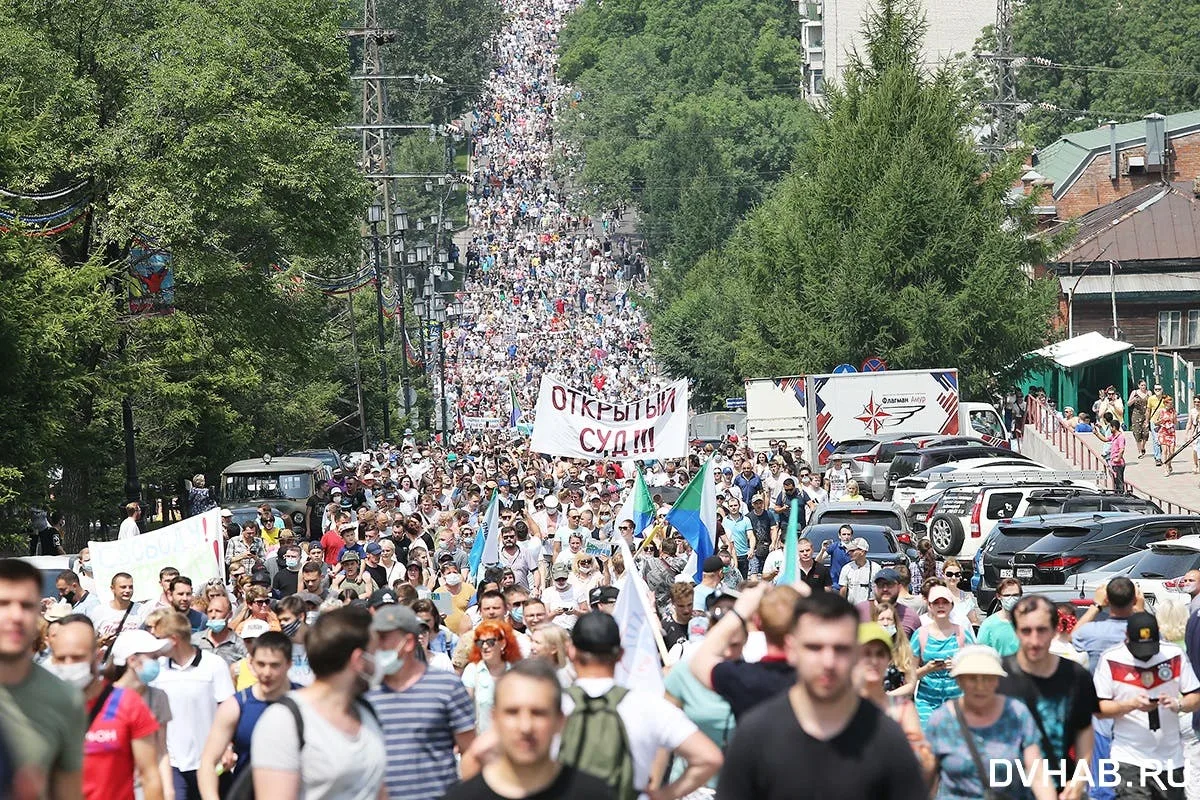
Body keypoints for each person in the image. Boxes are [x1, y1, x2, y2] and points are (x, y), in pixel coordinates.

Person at [717, 591, 926, 799]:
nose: (828, 662)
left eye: (840, 649)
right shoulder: (755, 735)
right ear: (791, 649)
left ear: (855, 654)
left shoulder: (886, 738)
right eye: (814, 648)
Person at [550, 612, 721, 800]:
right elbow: (709, 758)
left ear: (571, 651)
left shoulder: (548, 707)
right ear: (621, 654)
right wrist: (663, 795)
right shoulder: (649, 705)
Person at [250, 606, 385, 798]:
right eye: (375, 652)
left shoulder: (366, 712)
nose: (380, 660)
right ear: (358, 660)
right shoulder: (284, 721)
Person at [440, 659, 613, 800]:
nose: (525, 727)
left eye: (538, 713)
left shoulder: (595, 795)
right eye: (512, 712)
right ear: (495, 719)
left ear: (560, 721)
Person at [366, 603, 476, 800]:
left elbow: (469, 751)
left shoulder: (447, 686)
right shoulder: (366, 692)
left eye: (383, 639)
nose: (376, 647)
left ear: (408, 642)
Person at [48, 616, 165, 800]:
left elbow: (150, 776)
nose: (69, 665)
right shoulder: (44, 707)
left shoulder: (128, 703)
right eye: (61, 658)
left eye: (78, 658)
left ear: (98, 657)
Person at [0, 558, 86, 799]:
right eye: (3, 604)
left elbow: (68, 791)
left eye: (27, 605)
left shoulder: (65, 700)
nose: (16, 616)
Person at [925, 645, 1057, 800]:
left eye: (987, 678)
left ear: (997, 681)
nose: (980, 686)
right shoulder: (940, 720)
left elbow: (1037, 772)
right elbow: (926, 778)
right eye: (972, 678)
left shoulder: (1016, 713)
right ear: (959, 681)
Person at [998, 596, 1098, 800]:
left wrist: (1079, 780)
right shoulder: (997, 676)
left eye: (1042, 630)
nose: (1034, 641)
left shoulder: (1076, 676)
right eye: (1026, 631)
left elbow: (1084, 729)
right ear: (1016, 631)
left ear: (1054, 630)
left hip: (1062, 787)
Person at [1095, 612, 1200, 799]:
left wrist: (1178, 704)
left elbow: (1195, 697)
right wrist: (1131, 704)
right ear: (1127, 636)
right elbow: (1099, 709)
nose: (1146, 655)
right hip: (1129, 758)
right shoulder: (1111, 659)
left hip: (1170, 760)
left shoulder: (1174, 654)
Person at [145, 609, 236, 799]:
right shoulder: (157, 670)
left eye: (159, 639)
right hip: (173, 763)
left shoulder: (214, 665)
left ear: (174, 639)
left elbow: (227, 709)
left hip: (211, 761)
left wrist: (228, 746)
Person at [198, 631, 293, 798]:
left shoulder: (305, 702)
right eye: (261, 664)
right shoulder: (235, 706)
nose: (267, 672)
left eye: (275, 665)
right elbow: (207, 763)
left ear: (289, 664)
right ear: (251, 663)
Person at [690, 583, 798, 719]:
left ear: (757, 621)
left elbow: (700, 661)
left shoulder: (747, 677)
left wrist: (740, 612)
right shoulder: (816, 676)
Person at [855, 622, 934, 782]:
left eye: (880, 654)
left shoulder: (903, 709)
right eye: (866, 653)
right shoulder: (839, 705)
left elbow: (926, 764)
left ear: (888, 660)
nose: (874, 660)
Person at [911, 584, 976, 724]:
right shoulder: (920, 635)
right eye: (936, 602)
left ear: (952, 606)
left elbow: (976, 668)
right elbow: (909, 674)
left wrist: (958, 666)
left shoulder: (962, 633)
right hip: (927, 703)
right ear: (929, 606)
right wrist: (927, 669)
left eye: (945, 602)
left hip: (957, 702)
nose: (941, 606)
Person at [462, 620, 521, 733]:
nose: (484, 646)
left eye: (490, 642)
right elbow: (463, 709)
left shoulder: (516, 671)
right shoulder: (472, 670)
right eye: (480, 643)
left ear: (503, 644)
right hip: (482, 738)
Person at [855, 568, 920, 636]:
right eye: (880, 585)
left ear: (899, 587)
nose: (885, 589)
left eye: (890, 584)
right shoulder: (859, 612)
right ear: (875, 587)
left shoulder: (910, 617)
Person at [195, 592, 249, 666]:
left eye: (218, 611)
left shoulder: (240, 645)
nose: (213, 615)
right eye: (210, 611)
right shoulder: (195, 640)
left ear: (230, 615)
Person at [976, 577, 1022, 657]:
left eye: (1015, 595)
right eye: (1007, 595)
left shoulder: (1028, 622)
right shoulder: (988, 625)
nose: (1011, 598)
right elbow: (980, 655)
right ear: (999, 596)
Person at [838, 538, 879, 604]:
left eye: (852, 551)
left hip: (870, 607)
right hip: (852, 607)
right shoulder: (846, 568)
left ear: (862, 552)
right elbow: (843, 590)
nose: (849, 553)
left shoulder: (876, 568)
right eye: (849, 550)